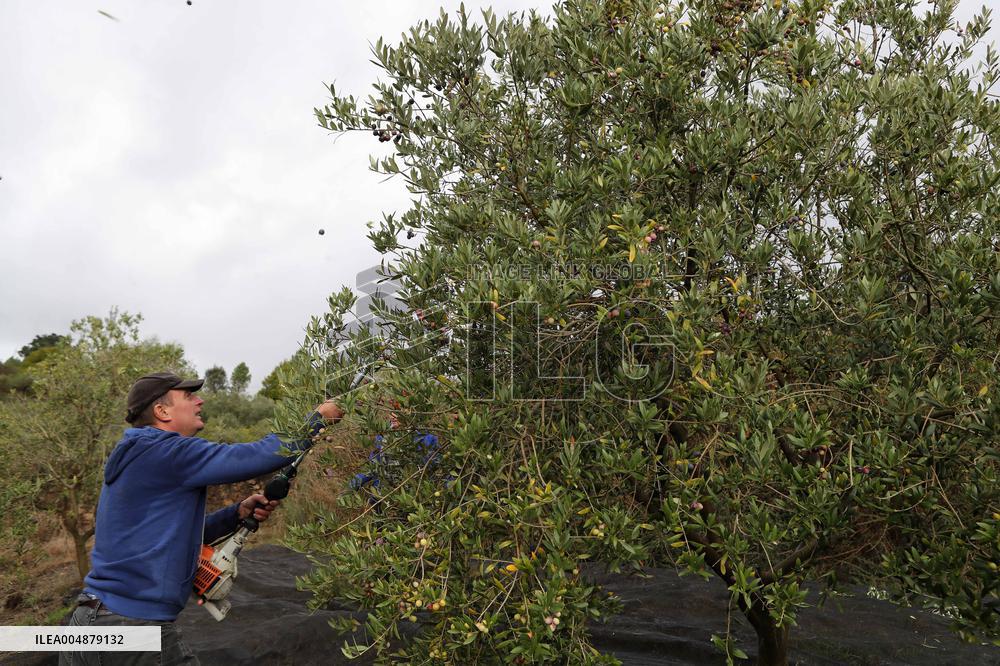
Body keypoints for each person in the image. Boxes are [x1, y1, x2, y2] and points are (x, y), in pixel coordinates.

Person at [59, 372, 344, 666]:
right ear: (162, 411)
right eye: (188, 396)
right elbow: (258, 455)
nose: (200, 400)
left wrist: (236, 513)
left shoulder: (136, 454)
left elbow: (171, 537)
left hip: (86, 624)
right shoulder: (168, 451)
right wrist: (318, 419)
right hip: (132, 627)